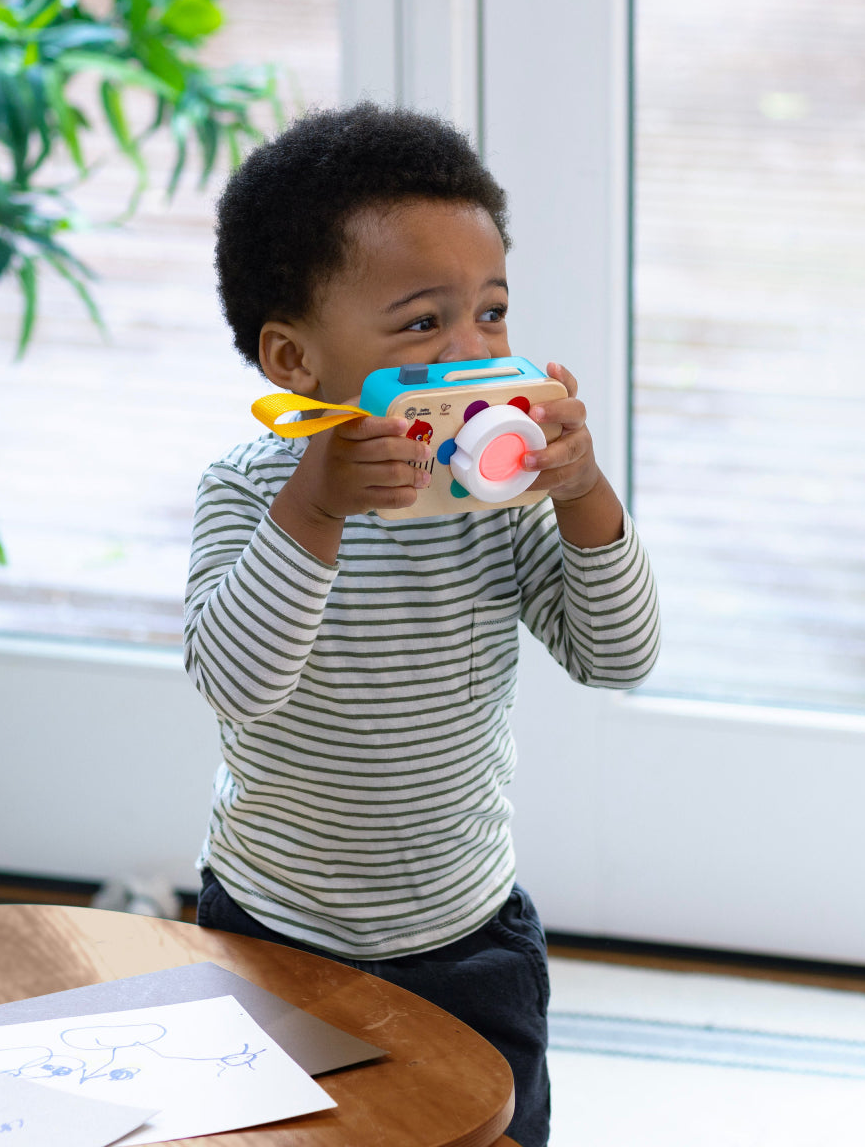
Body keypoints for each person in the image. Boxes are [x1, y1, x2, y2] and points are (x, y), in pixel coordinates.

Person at [184, 102, 660, 1147]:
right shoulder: (248, 491)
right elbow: (238, 681)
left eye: (491, 315)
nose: (473, 353)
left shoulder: (502, 503)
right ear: (294, 360)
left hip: (467, 938)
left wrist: (582, 494)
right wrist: (315, 506)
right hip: (275, 931)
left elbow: (619, 657)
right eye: (420, 325)